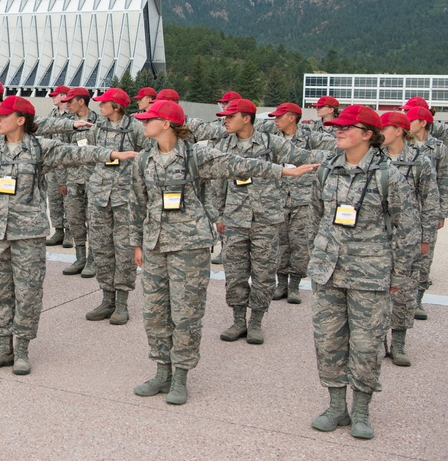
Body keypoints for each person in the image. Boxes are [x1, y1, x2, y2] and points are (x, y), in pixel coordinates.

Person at [131, 100, 318, 405]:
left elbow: (239, 163)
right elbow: (136, 202)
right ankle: (161, 371)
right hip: (154, 244)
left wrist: (283, 171)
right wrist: (137, 242)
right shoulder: (144, 160)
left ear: (166, 123)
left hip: (190, 246)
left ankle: (180, 376)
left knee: (186, 313)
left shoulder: (197, 154)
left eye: (149, 118)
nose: (143, 122)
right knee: (154, 312)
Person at [0, 96, 139, 375]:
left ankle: (22, 349)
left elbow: (77, 154)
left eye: (3, 116)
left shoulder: (40, 148)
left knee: (28, 292)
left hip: (28, 233)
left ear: (21, 120)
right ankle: (4, 347)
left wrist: (112, 155)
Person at [309, 105, 419, 440]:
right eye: (337, 127)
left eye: (347, 127)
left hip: (370, 275)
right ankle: (336, 406)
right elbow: (317, 215)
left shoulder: (390, 176)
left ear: (368, 135)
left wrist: (399, 278)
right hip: (328, 271)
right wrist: (320, 253)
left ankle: (361, 411)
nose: (338, 131)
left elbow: (407, 231)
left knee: (366, 346)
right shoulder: (327, 169)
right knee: (328, 343)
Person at [208, 98, 327, 344]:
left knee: (263, 273)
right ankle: (239, 320)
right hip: (235, 219)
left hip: (266, 218)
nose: (226, 120)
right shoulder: (223, 146)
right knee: (235, 272)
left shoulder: (272, 143)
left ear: (247, 118)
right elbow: (216, 184)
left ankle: (256, 322)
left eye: (231, 116)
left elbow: (304, 155)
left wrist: (344, 153)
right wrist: (219, 215)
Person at [0, 79, 86, 303]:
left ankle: (7, 288)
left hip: (15, 192)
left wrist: (72, 125)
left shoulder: (13, 117)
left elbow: (42, 124)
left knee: (12, 245)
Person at [379, 111, 440, 366]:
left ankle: (399, 341)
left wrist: (426, 237)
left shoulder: (420, 161)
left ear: (398, 131)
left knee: (403, 290)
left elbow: (430, 200)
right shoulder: (374, 157)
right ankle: (375, 339)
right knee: (375, 288)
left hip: (408, 235)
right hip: (378, 234)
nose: (379, 132)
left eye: (384, 128)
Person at [84, 88, 149, 325]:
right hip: (99, 197)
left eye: (104, 103)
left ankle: (121, 303)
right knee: (101, 248)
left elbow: (147, 157)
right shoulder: (97, 127)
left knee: (124, 250)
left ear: (117, 106)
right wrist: (91, 183)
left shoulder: (136, 128)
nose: (99, 106)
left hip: (126, 198)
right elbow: (89, 156)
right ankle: (106, 298)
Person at [268, 102, 336, 304]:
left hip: (303, 199)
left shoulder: (311, 137)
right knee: (280, 242)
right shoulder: (272, 140)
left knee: (300, 243)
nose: (276, 120)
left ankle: (294, 285)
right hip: (278, 197)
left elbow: (335, 147)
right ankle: (281, 284)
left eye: (280, 116)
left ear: (292, 117)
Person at [405, 106, 448, 321]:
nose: (407, 121)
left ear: (423, 122)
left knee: (425, 258)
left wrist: (443, 212)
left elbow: (444, 180)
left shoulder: (438, 148)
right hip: (406, 210)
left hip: (428, 210)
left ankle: (418, 300)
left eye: (410, 118)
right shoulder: (403, 145)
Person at [60, 87, 100, 276]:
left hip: (94, 179)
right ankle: (80, 258)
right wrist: (62, 180)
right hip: (74, 179)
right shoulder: (68, 124)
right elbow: (62, 153)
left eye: (71, 100)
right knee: (75, 219)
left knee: (94, 220)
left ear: (81, 101)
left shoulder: (99, 122)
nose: (67, 104)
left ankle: (93, 260)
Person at [44, 85, 71, 247]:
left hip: (68, 164)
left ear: (64, 96)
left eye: (55, 95)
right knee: (54, 199)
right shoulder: (51, 115)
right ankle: (58, 230)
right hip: (53, 165)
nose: (52, 98)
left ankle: (70, 232)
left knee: (68, 199)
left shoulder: (72, 117)